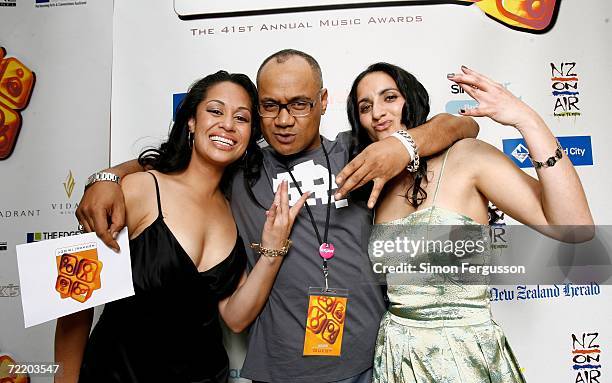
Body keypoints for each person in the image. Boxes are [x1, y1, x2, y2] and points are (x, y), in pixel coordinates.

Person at [75, 50, 479, 383]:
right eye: (270, 106)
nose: (284, 120)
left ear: (322, 101)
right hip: (277, 371)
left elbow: (461, 125)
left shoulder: (357, 151)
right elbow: (169, 163)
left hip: (364, 365)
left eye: (300, 104)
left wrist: (401, 145)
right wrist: (106, 177)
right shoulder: (239, 168)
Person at [55, 71, 311, 383]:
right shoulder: (140, 189)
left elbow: (236, 316)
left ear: (249, 135)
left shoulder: (235, 207)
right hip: (118, 374)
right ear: (191, 121)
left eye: (241, 118)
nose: (228, 125)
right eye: (215, 111)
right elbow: (74, 300)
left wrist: (273, 248)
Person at [347, 62, 594, 382]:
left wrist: (527, 120)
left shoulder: (466, 158)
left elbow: (575, 227)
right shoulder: (380, 186)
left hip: (463, 356)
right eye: (365, 106)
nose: (377, 112)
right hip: (396, 356)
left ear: (411, 99)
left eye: (389, 98)